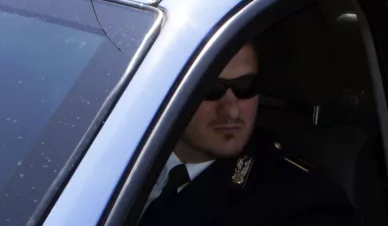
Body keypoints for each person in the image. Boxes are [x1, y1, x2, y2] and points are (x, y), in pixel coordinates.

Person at [139, 41, 361, 226]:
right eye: (210, 89)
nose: (231, 110)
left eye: (246, 86)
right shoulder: (118, 145)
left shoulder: (303, 202)